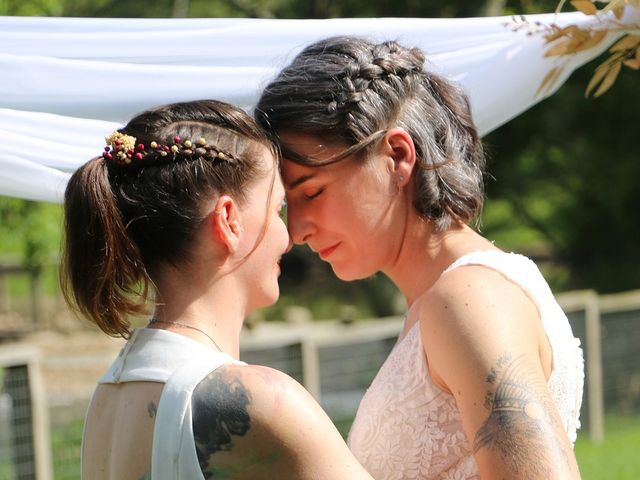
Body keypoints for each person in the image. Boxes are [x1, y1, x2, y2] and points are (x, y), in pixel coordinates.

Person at [256, 36, 584, 479]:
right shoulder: (449, 298)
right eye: (287, 206)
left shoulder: (469, 300)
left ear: (397, 156)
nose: (296, 230)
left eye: (312, 191)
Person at [60, 99, 374, 480]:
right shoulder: (261, 402)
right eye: (277, 209)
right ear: (228, 220)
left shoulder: (110, 393)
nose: (289, 237)